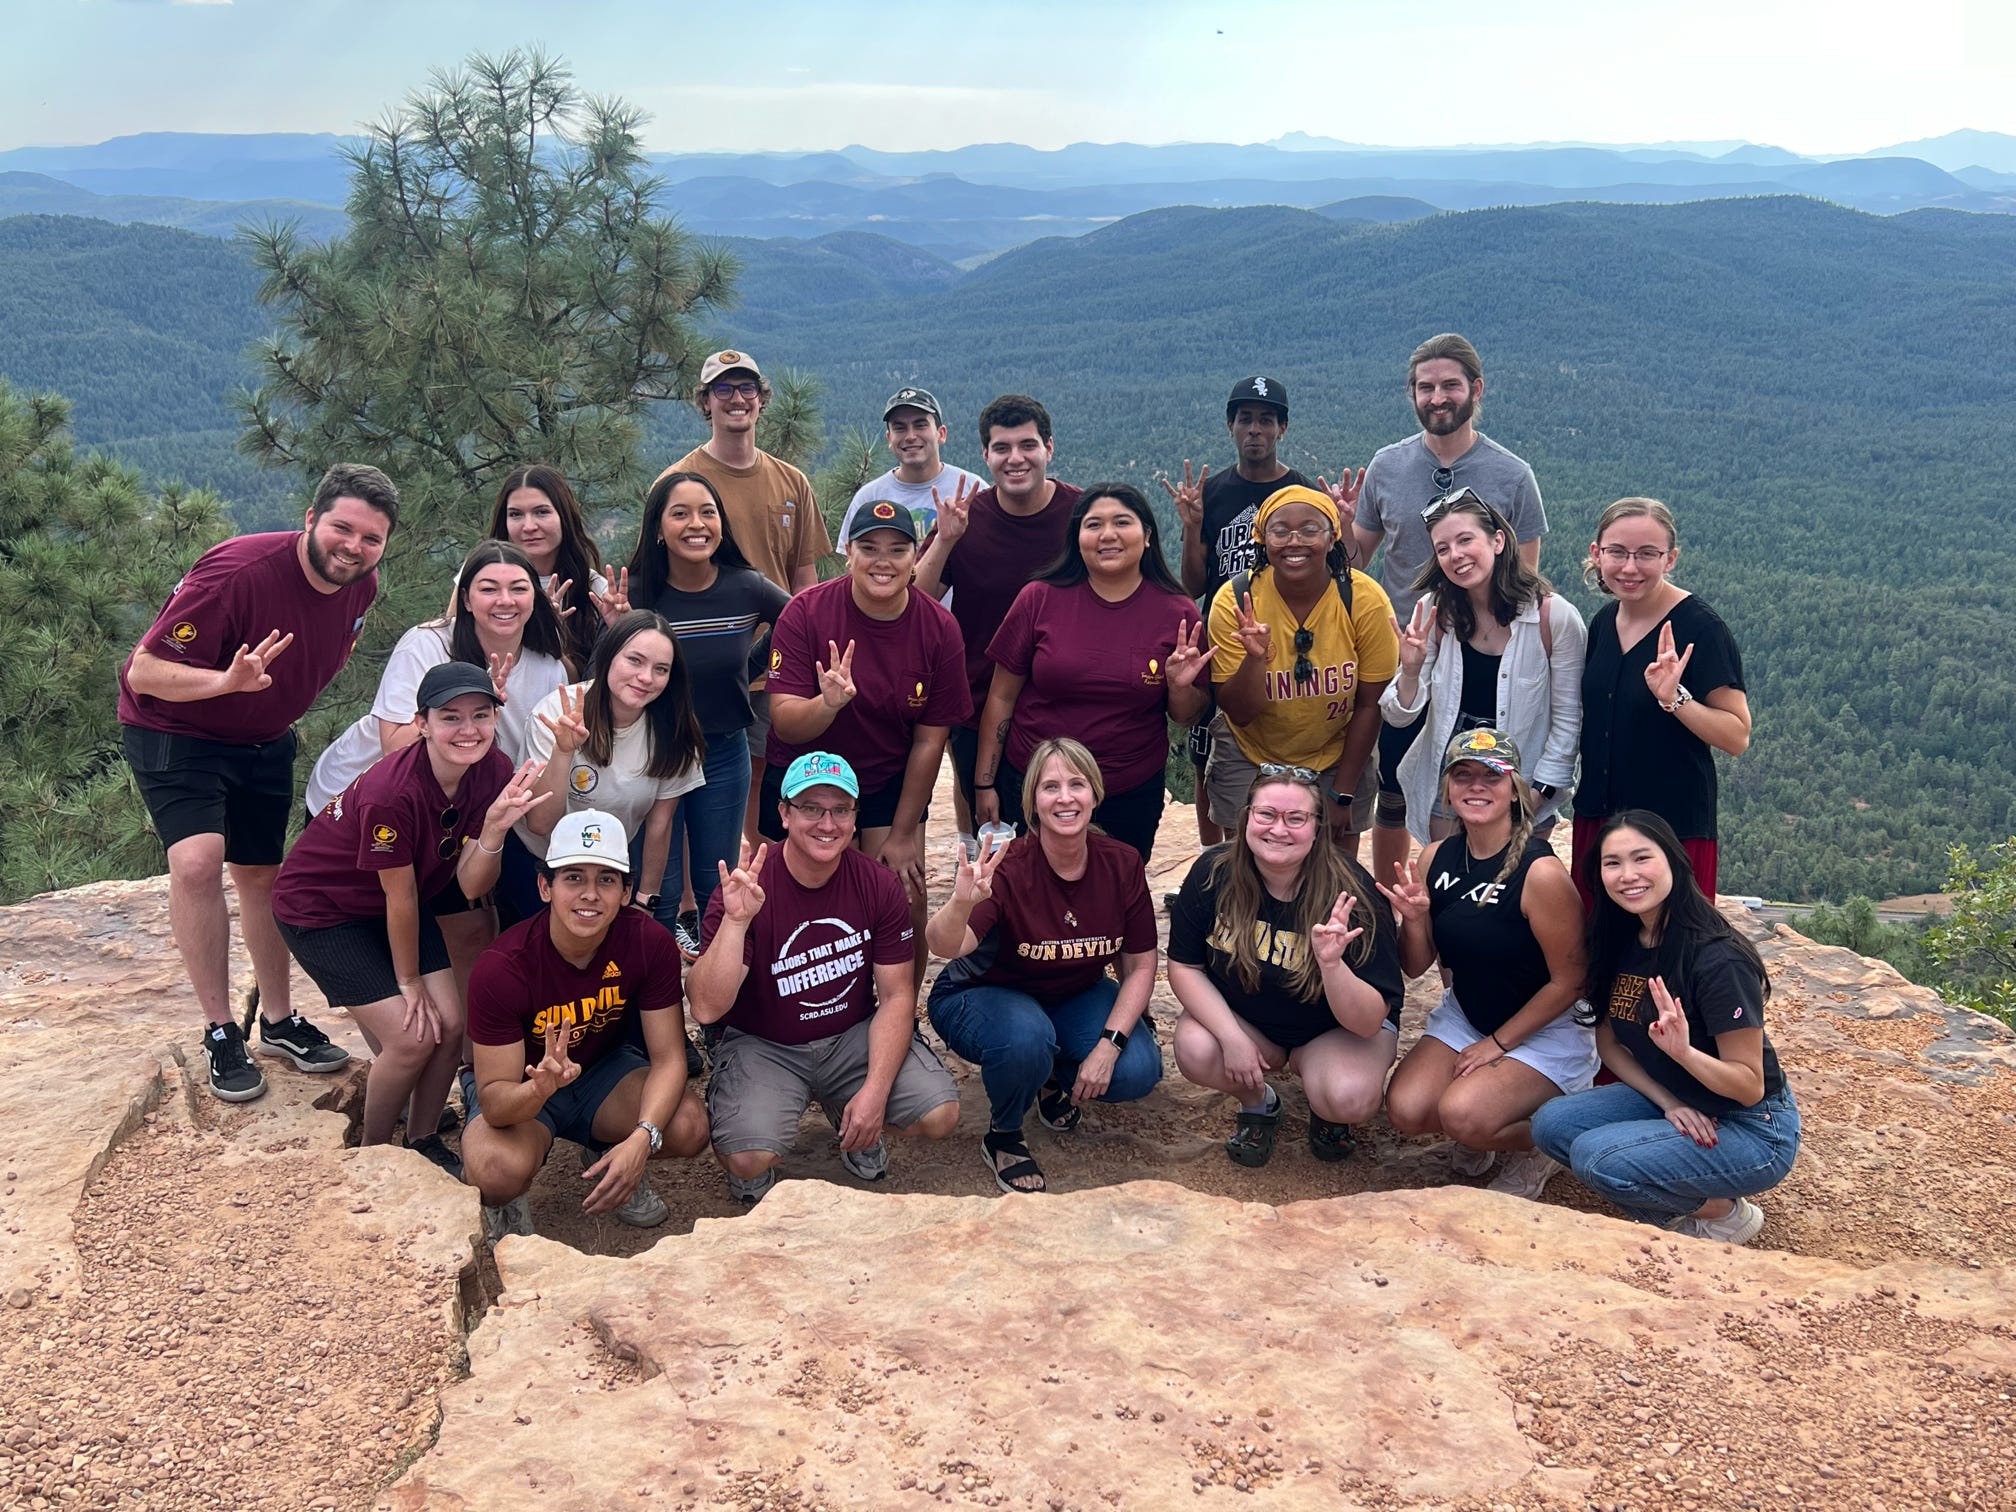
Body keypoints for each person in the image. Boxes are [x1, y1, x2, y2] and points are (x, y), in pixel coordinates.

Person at [118, 462, 397, 1101]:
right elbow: (144, 671)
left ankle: (277, 1020)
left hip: (264, 738)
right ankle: (221, 1030)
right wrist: (225, 683)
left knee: (261, 874)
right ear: (310, 519)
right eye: (341, 528)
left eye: (371, 538)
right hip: (178, 731)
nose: (353, 547)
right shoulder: (234, 574)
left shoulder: (363, 585)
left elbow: (338, 646)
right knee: (197, 862)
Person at [271, 663, 547, 1169]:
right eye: (450, 717)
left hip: (404, 900)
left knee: (452, 1024)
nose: (468, 730)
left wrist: (493, 831)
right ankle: (375, 1152)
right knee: (412, 1036)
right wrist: (408, 980)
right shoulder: (391, 793)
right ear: (422, 724)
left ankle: (421, 1138)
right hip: (323, 910)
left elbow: (468, 885)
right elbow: (396, 897)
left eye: (480, 716)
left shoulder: (492, 770)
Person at [688, 752, 961, 1204]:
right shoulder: (748, 886)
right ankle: (760, 1139)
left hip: (849, 1036)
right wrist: (736, 924)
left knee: (939, 1112)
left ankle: (850, 1106)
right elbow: (705, 1008)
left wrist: (874, 1092)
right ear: (784, 814)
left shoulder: (877, 883)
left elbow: (896, 996)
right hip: (765, 1041)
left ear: (856, 818)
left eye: (840, 809)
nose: (826, 823)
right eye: (810, 808)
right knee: (748, 1153)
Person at [1530, 811, 1799, 1245]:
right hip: (1678, 1096)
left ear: (1673, 861)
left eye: (1642, 858)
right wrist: (1670, 1102)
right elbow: (1609, 1042)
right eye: (1612, 863)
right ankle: (1667, 1192)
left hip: (1750, 1125)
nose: (1628, 875)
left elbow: (1749, 1087)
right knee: (1551, 1125)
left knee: (1596, 1159)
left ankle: (1724, 1213)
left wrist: (1685, 1053)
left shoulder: (1717, 959)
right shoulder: (1623, 940)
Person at [459, 808, 713, 1240]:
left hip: (603, 1072)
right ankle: (507, 1200)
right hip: (527, 1085)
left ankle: (612, 1151)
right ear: (545, 886)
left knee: (687, 1126)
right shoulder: (502, 967)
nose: (590, 894)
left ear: (626, 891)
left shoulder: (648, 942)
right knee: (494, 1171)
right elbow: (498, 1100)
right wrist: (539, 1088)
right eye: (573, 877)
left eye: (607, 879)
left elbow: (670, 1058)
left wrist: (641, 1138)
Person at [1352, 334, 1549, 889]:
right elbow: (1355, 559)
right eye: (1426, 387)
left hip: (1481, 658)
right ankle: (1398, 902)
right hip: (1403, 658)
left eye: (1450, 386)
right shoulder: (1386, 466)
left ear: (1475, 390)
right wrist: (1339, 528)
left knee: (1481, 782)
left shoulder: (1513, 476)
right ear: (1412, 393)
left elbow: (1526, 584)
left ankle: (1490, 900)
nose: (1438, 397)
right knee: (1392, 790)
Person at [926, 738, 1163, 1194]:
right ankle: (1005, 1132)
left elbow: (1141, 965)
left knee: (1136, 1068)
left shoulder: (1122, 863)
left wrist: (1107, 1048)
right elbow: (947, 946)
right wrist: (960, 902)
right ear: (1033, 800)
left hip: (1071, 994)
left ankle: (1050, 1077)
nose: (1065, 798)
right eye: (1050, 786)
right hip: (981, 995)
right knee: (1027, 1038)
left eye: (1077, 784)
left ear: (1095, 793)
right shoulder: (1009, 866)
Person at [1377, 729, 1593, 1199]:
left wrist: (1498, 1044)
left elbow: (1572, 980)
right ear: (1448, 792)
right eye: (1463, 775)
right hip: (1470, 1013)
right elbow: (1415, 966)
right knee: (1407, 1110)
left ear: (1514, 791)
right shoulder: (1436, 857)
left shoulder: (1540, 873)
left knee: (1462, 1115)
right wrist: (1414, 920)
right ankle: (1486, 1126)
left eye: (1492, 776)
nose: (1477, 786)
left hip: (1545, 1028)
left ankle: (1546, 1142)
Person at [1167, 764, 1403, 1167]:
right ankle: (1259, 1103)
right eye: (1267, 815)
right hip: (1252, 1023)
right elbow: (1184, 966)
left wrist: (1332, 966)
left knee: (1348, 1097)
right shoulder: (1213, 873)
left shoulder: (1353, 893)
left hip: (1337, 1030)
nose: (1279, 829)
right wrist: (1232, 1038)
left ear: (1317, 828)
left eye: (1296, 818)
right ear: (1246, 818)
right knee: (1195, 1047)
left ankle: (1324, 1106)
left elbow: (1368, 1021)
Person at [975, 484, 1211, 861]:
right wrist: (984, 783)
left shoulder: (1176, 612)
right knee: (1031, 899)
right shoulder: (1039, 598)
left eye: (1122, 522)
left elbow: (1185, 715)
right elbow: (1001, 697)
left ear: (1148, 535)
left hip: (1129, 790)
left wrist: (1179, 686)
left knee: (1116, 896)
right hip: (1036, 784)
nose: (1107, 535)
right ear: (1077, 537)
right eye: (1093, 524)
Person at [657, 349, 832, 843]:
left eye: (746, 388)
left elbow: (805, 581)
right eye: (723, 389)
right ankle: (694, 910)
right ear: (705, 402)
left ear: (761, 400)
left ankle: (754, 895)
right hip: (701, 669)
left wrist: (810, 660)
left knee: (766, 790)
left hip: (777, 667)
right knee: (687, 794)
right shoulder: (677, 482)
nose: (737, 399)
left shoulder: (791, 481)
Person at [761, 502, 971, 916]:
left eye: (897, 549)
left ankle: (901, 985)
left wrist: (903, 832)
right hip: (802, 774)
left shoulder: (939, 629)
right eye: (869, 547)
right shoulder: (805, 612)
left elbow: (930, 741)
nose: (883, 561)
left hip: (885, 778)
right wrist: (828, 705)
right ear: (849, 554)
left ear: (915, 558)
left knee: (904, 896)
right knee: (792, 903)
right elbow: (785, 722)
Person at [629, 469, 792, 955]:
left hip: (723, 754)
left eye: (707, 512)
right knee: (654, 891)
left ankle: (722, 1022)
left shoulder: (747, 588)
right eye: (679, 513)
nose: (696, 524)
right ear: (659, 528)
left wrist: (751, 667)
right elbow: (610, 672)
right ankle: (655, 1018)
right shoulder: (639, 593)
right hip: (650, 756)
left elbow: (797, 621)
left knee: (717, 888)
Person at [912, 394, 1081, 828]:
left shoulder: (1082, 516)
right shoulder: (968, 519)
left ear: (1049, 448)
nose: (1015, 459)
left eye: (1027, 445)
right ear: (985, 455)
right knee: (990, 837)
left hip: (1065, 704)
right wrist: (945, 540)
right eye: (1002, 448)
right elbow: (915, 604)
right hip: (980, 702)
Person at [1381, 488, 1585, 843]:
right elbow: (1399, 716)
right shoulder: (1437, 612)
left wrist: (1533, 799)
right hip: (1453, 777)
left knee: (1513, 894)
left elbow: (1568, 721)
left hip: (1523, 782)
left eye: (1465, 540)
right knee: (1449, 889)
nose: (1455, 555)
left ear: (1498, 541)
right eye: (1442, 548)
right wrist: (1411, 670)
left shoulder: (1554, 618)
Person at [1574, 498, 1750, 904]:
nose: (1629, 567)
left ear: (1670, 559)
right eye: (1617, 552)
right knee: (1597, 953)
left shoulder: (1701, 629)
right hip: (1600, 822)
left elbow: (1737, 736)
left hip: (1669, 832)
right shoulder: (1603, 623)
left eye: (1647, 554)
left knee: (1670, 958)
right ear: (1596, 554)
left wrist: (1675, 698)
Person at [1205, 486, 1398, 850]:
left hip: (1337, 750)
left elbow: (1371, 704)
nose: (1295, 542)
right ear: (1262, 540)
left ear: (1332, 537)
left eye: (1310, 529)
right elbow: (1240, 714)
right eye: (1280, 531)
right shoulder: (1236, 601)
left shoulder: (1365, 601)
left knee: (1334, 873)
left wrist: (1343, 794)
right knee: (1245, 870)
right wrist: (1254, 658)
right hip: (1250, 750)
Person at [1165, 376, 1312, 845]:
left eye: (1266, 420)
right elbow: (1192, 583)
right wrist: (1191, 528)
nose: (1255, 429)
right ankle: (1215, 863)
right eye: (1245, 418)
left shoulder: (1300, 492)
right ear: (1230, 425)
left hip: (1283, 640)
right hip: (1220, 638)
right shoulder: (1213, 492)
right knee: (1210, 752)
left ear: (1282, 429)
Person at [513, 610, 707, 927]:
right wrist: (563, 751)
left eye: (661, 669)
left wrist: (646, 901)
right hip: (539, 862)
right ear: (609, 657)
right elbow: (539, 823)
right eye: (635, 660)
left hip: (609, 865)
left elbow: (660, 824)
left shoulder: (673, 731)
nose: (646, 677)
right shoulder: (556, 712)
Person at [482, 464, 622, 672]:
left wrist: (625, 629)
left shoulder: (594, 591)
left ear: (564, 517)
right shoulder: (480, 577)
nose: (529, 526)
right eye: (515, 514)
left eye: (541, 512)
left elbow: (586, 685)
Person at [836, 386, 985, 550]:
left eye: (920, 425)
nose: (910, 436)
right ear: (889, 438)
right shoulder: (869, 497)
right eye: (900, 428)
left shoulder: (972, 490)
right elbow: (853, 565)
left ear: (941, 434)